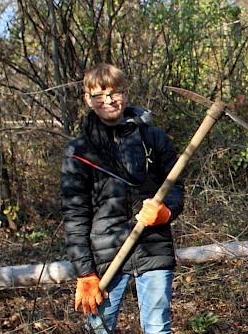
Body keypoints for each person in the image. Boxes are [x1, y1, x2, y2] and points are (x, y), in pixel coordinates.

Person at [61, 63, 184, 333]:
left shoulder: (152, 137)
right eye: (99, 95)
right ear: (87, 99)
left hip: (154, 247)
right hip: (106, 254)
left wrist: (166, 211)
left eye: (115, 93)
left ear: (125, 94)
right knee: (99, 329)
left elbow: (175, 187)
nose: (108, 100)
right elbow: (75, 214)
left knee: (157, 328)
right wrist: (85, 273)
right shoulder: (80, 150)